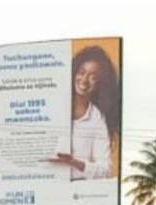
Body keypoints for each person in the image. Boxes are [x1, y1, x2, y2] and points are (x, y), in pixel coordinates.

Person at [45, 46, 119, 181]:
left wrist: (74, 162)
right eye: (81, 72)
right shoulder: (52, 105)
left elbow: (105, 170)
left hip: (77, 193)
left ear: (100, 84)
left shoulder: (97, 119)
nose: (84, 80)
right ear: (74, 72)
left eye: (93, 77)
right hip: (44, 185)